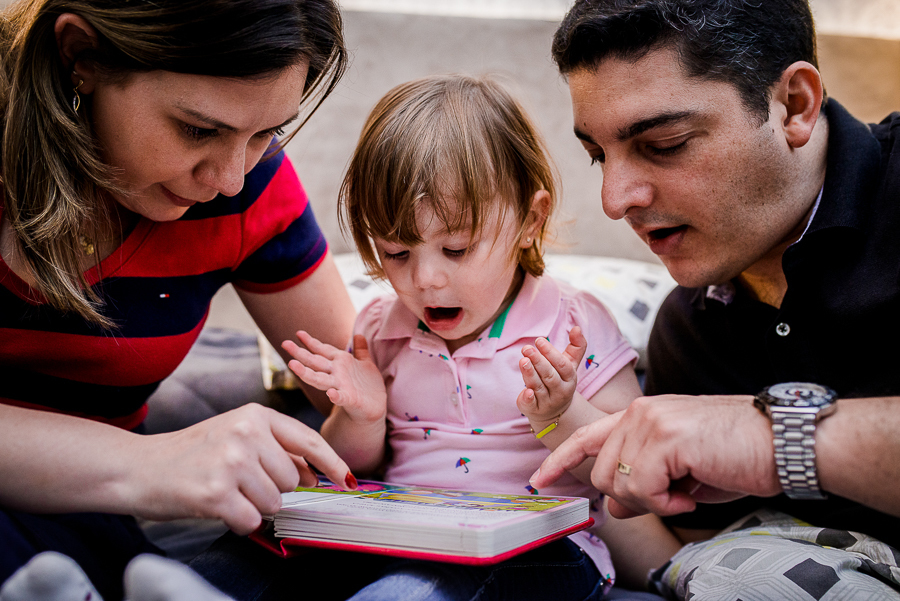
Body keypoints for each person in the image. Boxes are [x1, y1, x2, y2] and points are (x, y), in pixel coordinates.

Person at [530, 0, 900, 598]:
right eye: (598, 155)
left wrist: (775, 440)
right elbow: (696, 559)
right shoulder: (690, 326)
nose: (614, 198)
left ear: (794, 104)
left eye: (666, 143)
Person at [0, 0, 359, 598]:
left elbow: (364, 382)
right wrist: (149, 465)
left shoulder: (251, 185)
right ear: (80, 55)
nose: (230, 179)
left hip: (80, 525)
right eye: (198, 129)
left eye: (267, 132)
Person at [281, 73, 675, 601]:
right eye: (396, 253)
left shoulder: (571, 324)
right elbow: (351, 470)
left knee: (422, 589)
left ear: (529, 221)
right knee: (272, 550)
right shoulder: (379, 328)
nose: (425, 279)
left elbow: (629, 465)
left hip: (544, 551)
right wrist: (360, 416)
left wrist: (562, 415)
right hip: (409, 535)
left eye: (457, 249)